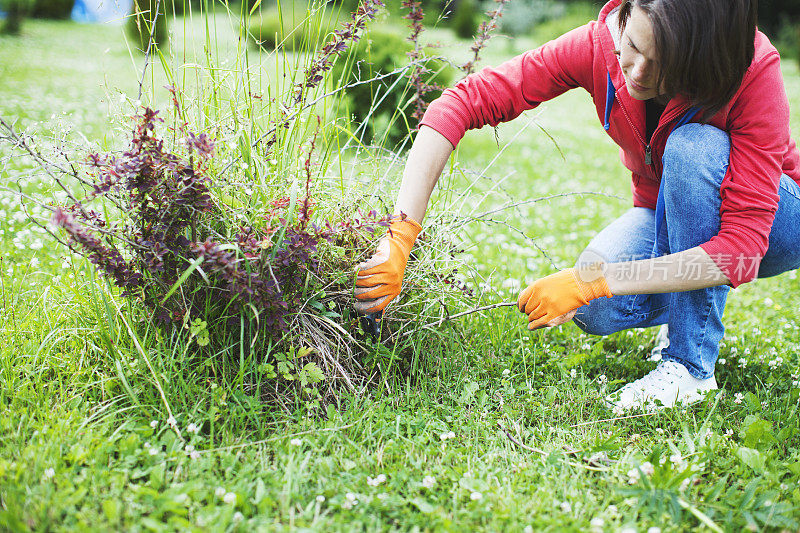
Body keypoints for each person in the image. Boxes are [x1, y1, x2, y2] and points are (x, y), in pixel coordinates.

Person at [353, 0, 800, 412]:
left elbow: (741, 249)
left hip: (777, 222)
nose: (639, 74)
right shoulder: (595, 45)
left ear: (702, 63)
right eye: (632, 47)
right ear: (623, 18)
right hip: (666, 212)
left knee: (692, 147)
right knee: (595, 307)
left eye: (664, 68)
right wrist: (402, 232)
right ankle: (685, 305)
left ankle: (689, 368)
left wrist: (602, 280)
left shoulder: (750, 69)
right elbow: (460, 103)